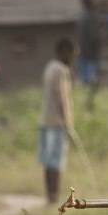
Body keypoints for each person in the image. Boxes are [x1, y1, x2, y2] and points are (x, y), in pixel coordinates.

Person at [39, 38, 76, 204]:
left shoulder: (49, 67)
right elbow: (63, 98)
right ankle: (54, 197)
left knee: (48, 161)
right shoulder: (61, 70)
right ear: (65, 52)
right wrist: (68, 122)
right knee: (56, 161)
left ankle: (50, 195)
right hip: (57, 123)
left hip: (45, 121)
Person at [77, 0, 102, 107]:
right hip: (90, 56)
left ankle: (87, 105)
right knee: (92, 83)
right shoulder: (90, 18)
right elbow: (94, 37)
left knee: (86, 83)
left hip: (84, 55)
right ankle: (90, 106)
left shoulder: (82, 17)